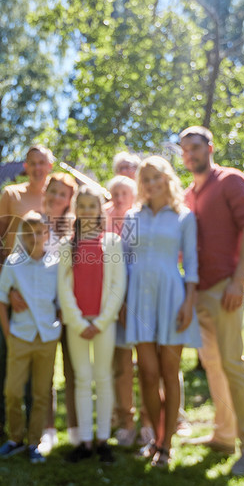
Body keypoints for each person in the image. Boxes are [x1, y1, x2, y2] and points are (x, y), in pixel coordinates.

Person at [179, 125, 244, 476]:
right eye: (184, 150)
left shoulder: (231, 180)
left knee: (232, 364)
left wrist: (237, 280)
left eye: (195, 147)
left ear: (210, 147)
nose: (190, 155)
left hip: (226, 289)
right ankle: (223, 436)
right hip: (199, 290)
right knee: (212, 365)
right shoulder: (188, 195)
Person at [122, 155, 200, 467]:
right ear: (141, 185)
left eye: (157, 177)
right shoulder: (131, 217)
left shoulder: (184, 217)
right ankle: (154, 437)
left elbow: (192, 263)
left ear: (168, 178)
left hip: (172, 296)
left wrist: (189, 302)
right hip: (139, 299)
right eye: (147, 179)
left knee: (170, 371)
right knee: (148, 373)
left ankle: (167, 444)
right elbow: (125, 263)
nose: (153, 183)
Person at [0, 145, 54, 446]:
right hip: (15, 289)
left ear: (50, 166)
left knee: (41, 357)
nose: (38, 168)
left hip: (45, 292)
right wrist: (8, 287)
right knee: (5, 352)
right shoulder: (12, 194)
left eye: (43, 163)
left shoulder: (58, 197)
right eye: (33, 163)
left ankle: (37, 425)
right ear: (26, 166)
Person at [58, 185, 126, 463]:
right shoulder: (67, 245)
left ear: (100, 210)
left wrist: (101, 321)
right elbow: (63, 287)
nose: (87, 211)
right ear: (76, 209)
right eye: (82, 206)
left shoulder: (111, 242)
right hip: (77, 324)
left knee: (103, 377)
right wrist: (76, 320)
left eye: (92, 206)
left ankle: (103, 439)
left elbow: (117, 284)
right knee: (82, 379)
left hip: (103, 324)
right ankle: (85, 442)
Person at [0, 211, 61, 464]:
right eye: (29, 232)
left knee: (42, 392)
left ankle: (34, 442)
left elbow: (62, 300)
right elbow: (1, 298)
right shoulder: (13, 262)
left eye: (40, 231)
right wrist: (9, 333)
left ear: (47, 234)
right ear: (23, 236)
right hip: (20, 335)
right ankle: (15, 439)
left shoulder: (56, 264)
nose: (35, 237)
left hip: (47, 337)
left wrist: (59, 325)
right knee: (12, 391)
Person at [37, 172, 78, 453]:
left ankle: (75, 428)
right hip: (42, 308)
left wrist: (69, 304)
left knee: (73, 370)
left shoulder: (75, 229)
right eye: (52, 190)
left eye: (62, 194)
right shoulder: (32, 224)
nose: (55, 197)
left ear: (69, 201)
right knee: (44, 374)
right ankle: (47, 429)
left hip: (71, 309)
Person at [104, 175, 140, 447]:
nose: (118, 198)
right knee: (121, 366)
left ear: (133, 196)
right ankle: (124, 419)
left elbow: (132, 265)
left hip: (136, 301)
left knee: (150, 366)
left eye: (124, 193)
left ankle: (150, 421)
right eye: (114, 193)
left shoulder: (137, 220)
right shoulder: (104, 219)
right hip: (111, 303)